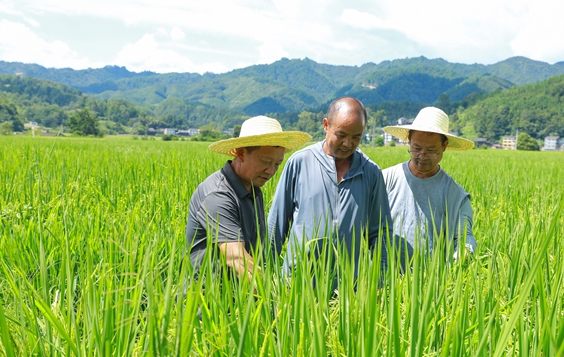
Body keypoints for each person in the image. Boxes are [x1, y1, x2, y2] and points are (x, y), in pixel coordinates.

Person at [268, 97, 392, 277]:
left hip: (347, 289)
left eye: (356, 137)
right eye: (341, 135)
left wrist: (380, 282)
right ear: (326, 125)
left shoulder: (371, 172)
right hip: (297, 284)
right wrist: (265, 276)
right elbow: (276, 225)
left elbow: (380, 234)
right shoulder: (300, 162)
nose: (348, 144)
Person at [185, 116, 310, 282]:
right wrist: (271, 294)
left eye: (277, 164)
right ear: (241, 153)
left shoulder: (253, 188)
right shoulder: (217, 195)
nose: (271, 171)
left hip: (241, 297)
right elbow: (236, 259)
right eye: (266, 161)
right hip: (207, 301)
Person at [382, 106, 476, 264]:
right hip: (383, 281)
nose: (422, 156)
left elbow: (464, 236)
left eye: (431, 150)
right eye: (416, 148)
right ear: (408, 140)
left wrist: (465, 251)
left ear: (444, 146)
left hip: (431, 283)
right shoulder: (385, 180)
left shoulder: (455, 195)